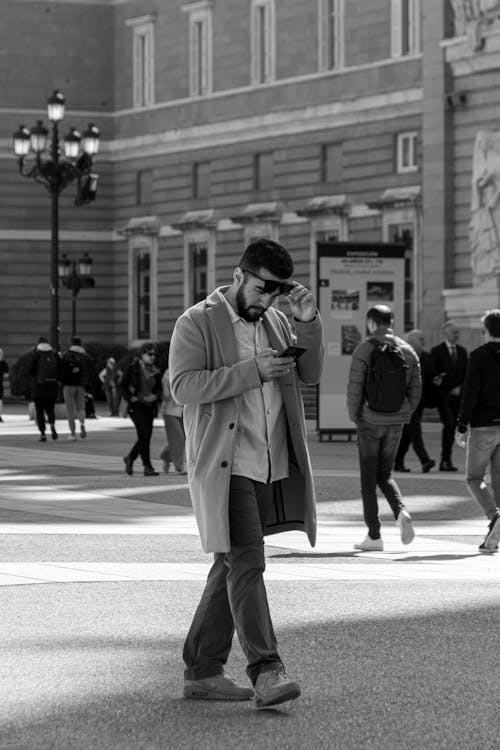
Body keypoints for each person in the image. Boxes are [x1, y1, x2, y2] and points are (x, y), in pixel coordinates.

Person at [169, 238, 324, 709]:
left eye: (277, 291)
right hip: (226, 462)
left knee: (231, 563)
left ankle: (201, 669)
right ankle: (267, 671)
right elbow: (183, 386)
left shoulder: (278, 320)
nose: (267, 300)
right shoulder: (196, 321)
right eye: (261, 289)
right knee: (249, 562)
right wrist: (251, 370)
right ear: (239, 277)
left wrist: (307, 322)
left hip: (268, 461)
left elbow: (311, 375)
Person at [346, 305, 421, 552]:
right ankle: (401, 513)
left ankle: (374, 535)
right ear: (392, 322)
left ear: (370, 323)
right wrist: (406, 411)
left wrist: (355, 415)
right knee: (385, 474)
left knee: (368, 478)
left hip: (369, 420)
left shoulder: (365, 348)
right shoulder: (407, 350)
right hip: (395, 422)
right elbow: (416, 389)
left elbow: (355, 387)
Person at [455, 309, 500, 553]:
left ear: (486, 332)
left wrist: (462, 425)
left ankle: (494, 517)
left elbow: (470, 392)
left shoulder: (479, 355)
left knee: (474, 478)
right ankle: (495, 533)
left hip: (483, 425)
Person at [394, 329, 436, 473]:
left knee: (407, 435)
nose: (424, 342)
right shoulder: (403, 356)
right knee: (415, 432)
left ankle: (397, 462)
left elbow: (428, 377)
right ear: (411, 342)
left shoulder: (424, 357)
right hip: (407, 402)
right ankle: (425, 460)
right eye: (421, 339)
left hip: (419, 402)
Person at [430, 321, 468, 471]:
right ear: (445, 334)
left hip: (458, 397)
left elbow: (467, 374)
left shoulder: (462, 351)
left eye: (458, 332)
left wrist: (460, 388)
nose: (456, 335)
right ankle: (445, 460)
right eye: (454, 332)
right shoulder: (437, 351)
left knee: (454, 427)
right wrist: (448, 388)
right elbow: (435, 375)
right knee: (449, 424)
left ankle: (447, 460)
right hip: (443, 397)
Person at [121, 342, 162, 477]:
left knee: (146, 436)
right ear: (142, 354)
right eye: (149, 354)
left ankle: (130, 458)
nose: (152, 357)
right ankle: (147, 466)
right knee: (144, 435)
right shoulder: (133, 368)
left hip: (149, 406)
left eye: (154, 354)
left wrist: (155, 396)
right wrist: (130, 397)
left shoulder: (155, 370)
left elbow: (159, 388)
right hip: (136, 405)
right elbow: (123, 385)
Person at [60, 336, 92, 440]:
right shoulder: (86, 357)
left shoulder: (66, 355)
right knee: (81, 408)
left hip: (68, 386)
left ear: (72, 343)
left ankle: (73, 433)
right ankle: (82, 424)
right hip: (81, 386)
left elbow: (61, 369)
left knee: (70, 410)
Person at [28, 336, 60, 442]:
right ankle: (52, 424)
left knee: (40, 411)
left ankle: (43, 434)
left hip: (38, 388)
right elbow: (60, 369)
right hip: (52, 387)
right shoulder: (54, 354)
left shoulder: (35, 354)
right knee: (50, 409)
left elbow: (30, 371)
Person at [159, 365, 186, 474]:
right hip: (169, 411)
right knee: (178, 438)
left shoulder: (187, 369)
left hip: (183, 410)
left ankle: (165, 456)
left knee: (182, 438)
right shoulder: (168, 373)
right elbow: (165, 394)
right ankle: (179, 467)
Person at [0, 348, 9, 422]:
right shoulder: (3, 364)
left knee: (0, 400)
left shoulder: (4, 364)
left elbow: (7, 374)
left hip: (0, 384)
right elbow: (6, 374)